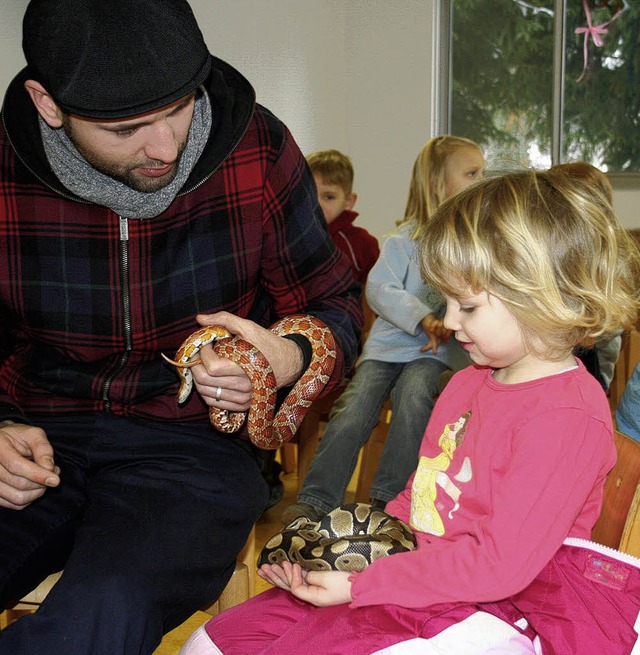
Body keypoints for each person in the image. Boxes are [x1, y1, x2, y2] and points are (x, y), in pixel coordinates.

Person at [0, 2, 361, 654]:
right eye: (129, 127)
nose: (165, 147)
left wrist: (289, 356)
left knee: (101, 616)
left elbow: (335, 303)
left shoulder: (257, 147)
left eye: (179, 107)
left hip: (192, 452)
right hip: (33, 434)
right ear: (48, 104)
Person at [179, 169, 640, 655]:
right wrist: (338, 563)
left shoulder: (565, 415)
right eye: (447, 302)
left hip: (506, 605)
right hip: (417, 576)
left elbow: (500, 567)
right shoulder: (465, 383)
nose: (449, 320)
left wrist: (361, 585)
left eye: (468, 306)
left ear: (539, 297)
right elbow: (419, 503)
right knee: (209, 644)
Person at [281, 136, 484, 525]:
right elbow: (379, 290)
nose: (481, 180)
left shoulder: (472, 247)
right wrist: (424, 317)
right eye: (471, 173)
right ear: (438, 184)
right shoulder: (402, 242)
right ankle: (317, 498)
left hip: (434, 357)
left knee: (415, 396)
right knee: (353, 410)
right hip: (387, 351)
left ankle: (388, 502)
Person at [549, 161, 622, 390]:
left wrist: (589, 327)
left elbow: (616, 315)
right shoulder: (553, 246)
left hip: (593, 355)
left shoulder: (605, 254)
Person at [306, 149, 380, 288]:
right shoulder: (289, 238)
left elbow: (376, 295)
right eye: (310, 194)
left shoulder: (363, 243)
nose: (317, 204)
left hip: (345, 308)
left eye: (329, 197)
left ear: (348, 201)